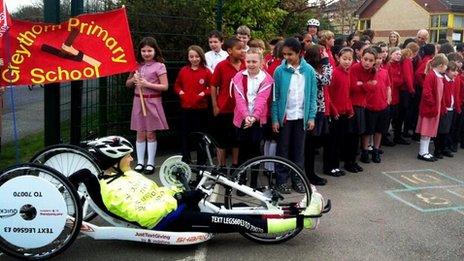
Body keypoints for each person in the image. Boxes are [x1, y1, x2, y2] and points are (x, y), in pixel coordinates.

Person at [79, 136, 323, 233]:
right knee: (238, 222)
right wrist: (181, 201)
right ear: (114, 160)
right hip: (169, 221)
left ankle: (293, 210)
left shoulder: (127, 175)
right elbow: (141, 215)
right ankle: (304, 220)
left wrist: (180, 192)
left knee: (233, 209)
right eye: (126, 157)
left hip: (177, 209)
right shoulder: (110, 190)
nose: (132, 159)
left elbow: (156, 192)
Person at [272, 37, 317, 193]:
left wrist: (311, 116)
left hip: (301, 117)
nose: (286, 58)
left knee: (299, 150)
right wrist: (275, 118)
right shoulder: (279, 71)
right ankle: (281, 181)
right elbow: (275, 97)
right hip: (285, 117)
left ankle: (297, 179)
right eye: (284, 54)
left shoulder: (309, 71)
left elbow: (312, 95)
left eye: (290, 54)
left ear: (299, 53)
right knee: (282, 149)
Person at [126, 37, 169, 175]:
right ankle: (139, 162)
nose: (146, 53)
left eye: (149, 50)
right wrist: (133, 79)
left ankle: (150, 162)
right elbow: (127, 84)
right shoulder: (136, 65)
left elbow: (165, 86)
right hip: (138, 101)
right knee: (140, 132)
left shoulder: (160, 66)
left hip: (152, 102)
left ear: (155, 51)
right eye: (143, 50)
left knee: (150, 133)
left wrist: (147, 84)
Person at [231, 48, 273, 172]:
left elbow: (262, 99)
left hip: (257, 119)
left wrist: (254, 117)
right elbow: (239, 99)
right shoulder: (239, 76)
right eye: (248, 61)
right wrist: (246, 116)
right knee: (242, 150)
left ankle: (254, 183)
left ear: (261, 62)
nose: (251, 64)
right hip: (243, 118)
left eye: (254, 62)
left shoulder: (266, 79)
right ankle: (241, 180)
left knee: (255, 151)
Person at [210, 38, 246, 170]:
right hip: (224, 109)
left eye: (243, 48)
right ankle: (222, 166)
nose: (242, 51)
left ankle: (236, 165)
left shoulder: (246, 64)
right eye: (239, 48)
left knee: (237, 139)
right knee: (222, 140)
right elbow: (213, 85)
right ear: (230, 51)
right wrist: (215, 105)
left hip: (241, 110)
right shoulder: (221, 66)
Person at [174, 45, 212, 165]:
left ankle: (202, 161)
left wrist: (202, 93)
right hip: (186, 108)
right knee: (184, 134)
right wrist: (181, 93)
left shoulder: (206, 71)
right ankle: (186, 158)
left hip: (201, 109)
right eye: (191, 56)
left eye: (196, 56)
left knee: (200, 136)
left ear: (201, 57)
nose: (194, 59)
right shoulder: (183, 70)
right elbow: (177, 85)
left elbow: (212, 87)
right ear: (188, 57)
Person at [304, 44, 333, 185]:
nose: (325, 55)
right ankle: (309, 174)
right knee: (309, 144)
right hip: (312, 111)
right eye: (323, 53)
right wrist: (327, 63)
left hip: (318, 109)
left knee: (314, 143)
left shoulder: (314, 69)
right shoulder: (309, 70)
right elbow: (326, 80)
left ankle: (309, 173)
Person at [327, 47, 355, 176]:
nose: (347, 62)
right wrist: (334, 110)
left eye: (350, 59)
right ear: (338, 58)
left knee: (340, 141)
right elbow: (329, 94)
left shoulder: (348, 73)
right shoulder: (335, 73)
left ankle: (336, 165)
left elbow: (347, 94)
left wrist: (350, 109)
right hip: (335, 114)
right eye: (344, 59)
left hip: (344, 112)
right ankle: (330, 167)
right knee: (332, 141)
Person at [349, 47, 378, 172]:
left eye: (370, 60)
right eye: (365, 59)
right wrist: (366, 85)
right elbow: (353, 87)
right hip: (353, 104)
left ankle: (353, 161)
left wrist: (363, 84)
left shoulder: (373, 71)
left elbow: (374, 88)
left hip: (363, 104)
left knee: (359, 133)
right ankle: (349, 162)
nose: (367, 62)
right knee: (353, 135)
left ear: (374, 61)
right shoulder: (355, 68)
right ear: (361, 58)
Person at [361, 46, 391, 163]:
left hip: (382, 106)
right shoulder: (367, 73)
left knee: (379, 130)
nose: (378, 60)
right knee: (368, 131)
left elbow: (388, 86)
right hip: (369, 106)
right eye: (376, 58)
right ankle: (365, 151)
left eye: (380, 58)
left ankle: (376, 150)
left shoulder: (385, 72)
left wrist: (388, 98)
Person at [416, 53, 449, 161]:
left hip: (436, 108)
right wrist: (433, 105)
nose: (446, 68)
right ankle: (422, 152)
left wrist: (441, 106)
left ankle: (425, 151)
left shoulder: (439, 76)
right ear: (440, 65)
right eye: (445, 66)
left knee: (430, 132)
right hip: (430, 109)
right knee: (426, 131)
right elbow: (427, 93)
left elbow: (441, 94)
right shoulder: (431, 75)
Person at [434, 61, 460, 158]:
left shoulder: (455, 80)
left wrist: (457, 107)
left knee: (448, 130)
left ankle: (444, 148)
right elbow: (442, 96)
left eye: (456, 71)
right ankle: (438, 150)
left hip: (451, 108)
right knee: (441, 130)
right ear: (447, 71)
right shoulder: (443, 80)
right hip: (444, 109)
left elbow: (456, 94)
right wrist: (443, 107)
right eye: (453, 71)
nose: (456, 73)